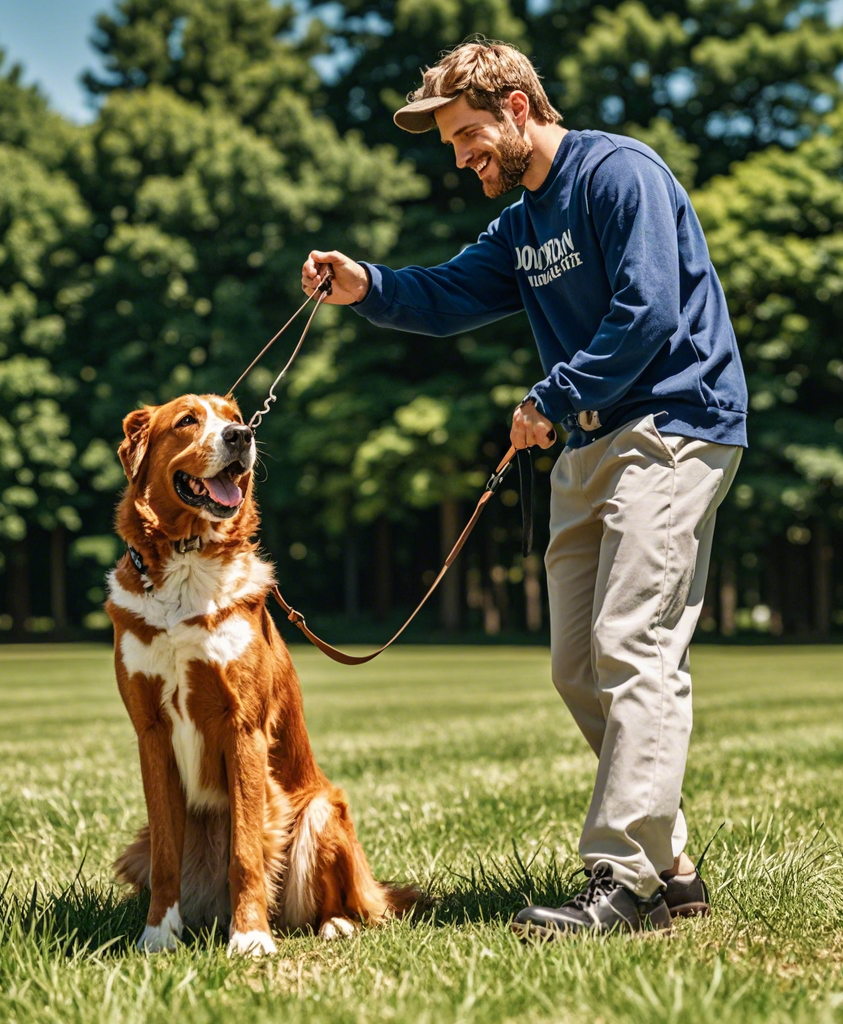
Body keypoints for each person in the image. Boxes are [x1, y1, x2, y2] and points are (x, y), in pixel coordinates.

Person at [299, 39, 747, 938]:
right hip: (586, 445)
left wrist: (552, 394)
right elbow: (449, 293)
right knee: (575, 667)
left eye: (469, 136)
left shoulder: (618, 175)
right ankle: (673, 870)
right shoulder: (523, 224)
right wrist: (366, 286)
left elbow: (649, 311)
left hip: (672, 425)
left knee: (633, 648)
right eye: (454, 146)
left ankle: (620, 883)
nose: (464, 158)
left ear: (514, 107)